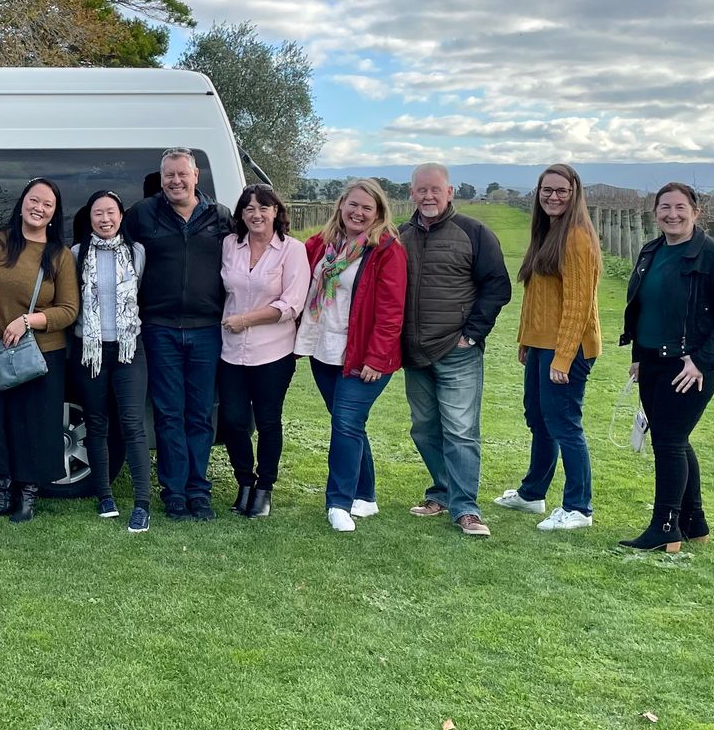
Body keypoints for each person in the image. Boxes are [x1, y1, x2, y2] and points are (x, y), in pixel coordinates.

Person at [616, 182, 714, 551]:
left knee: (669, 442)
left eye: (680, 207)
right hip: (653, 360)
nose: (672, 214)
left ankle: (665, 527)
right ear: (655, 212)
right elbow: (642, 307)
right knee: (673, 439)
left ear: (695, 211)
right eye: (664, 207)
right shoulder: (651, 250)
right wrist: (638, 356)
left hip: (689, 365)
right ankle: (694, 523)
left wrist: (703, 360)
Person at [399, 163, 512, 538]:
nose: (428, 196)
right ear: (411, 193)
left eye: (436, 189)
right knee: (425, 429)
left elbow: (498, 286)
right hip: (414, 352)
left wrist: (472, 334)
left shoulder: (474, 233)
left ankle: (466, 508)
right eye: (421, 190)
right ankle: (442, 491)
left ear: (450, 192)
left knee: (461, 431)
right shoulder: (400, 235)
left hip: (457, 349)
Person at [124, 147, 234, 521]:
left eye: (182, 174)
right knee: (169, 414)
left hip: (207, 329)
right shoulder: (142, 215)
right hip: (159, 328)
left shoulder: (219, 216)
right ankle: (173, 493)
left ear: (196, 176)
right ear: (161, 178)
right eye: (169, 174)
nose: (175, 181)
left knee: (200, 414)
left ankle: (198, 492)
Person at [493, 164, 603, 532]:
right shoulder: (548, 231)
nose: (553, 197)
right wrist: (527, 339)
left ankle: (578, 507)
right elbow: (537, 295)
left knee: (564, 425)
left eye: (561, 191)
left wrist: (563, 355)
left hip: (567, 350)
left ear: (575, 194)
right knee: (539, 421)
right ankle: (532, 494)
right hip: (542, 347)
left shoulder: (576, 237)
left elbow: (578, 304)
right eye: (547, 190)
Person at [296, 179, 406, 531]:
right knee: (350, 424)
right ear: (341, 205)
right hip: (323, 348)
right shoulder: (321, 245)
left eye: (366, 208)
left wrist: (376, 357)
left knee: (345, 423)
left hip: (363, 355)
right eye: (353, 205)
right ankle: (366, 496)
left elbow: (391, 311)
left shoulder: (386, 250)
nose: (358, 213)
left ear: (378, 213)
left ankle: (338, 503)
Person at [0, 178, 80, 525]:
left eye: (48, 205)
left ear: (54, 213)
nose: (39, 208)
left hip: (41, 354)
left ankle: (27, 499)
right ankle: (0, 496)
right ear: (22, 202)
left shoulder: (58, 255)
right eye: (34, 200)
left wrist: (30, 320)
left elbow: (69, 309)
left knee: (33, 426)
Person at [217, 184, 309, 518]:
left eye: (263, 208)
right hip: (231, 351)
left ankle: (264, 488)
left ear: (276, 212)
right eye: (249, 208)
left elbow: (292, 304)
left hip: (273, 352)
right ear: (241, 215)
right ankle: (244, 482)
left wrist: (245, 320)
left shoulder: (291, 250)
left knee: (268, 421)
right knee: (233, 421)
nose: (256, 214)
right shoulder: (230, 245)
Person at [73, 189, 152, 533]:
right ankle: (104, 496)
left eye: (111, 213)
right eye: (97, 214)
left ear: (121, 216)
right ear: (89, 219)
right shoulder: (77, 253)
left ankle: (142, 503)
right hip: (90, 350)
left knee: (133, 424)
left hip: (128, 349)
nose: (105, 219)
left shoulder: (137, 252)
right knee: (96, 423)